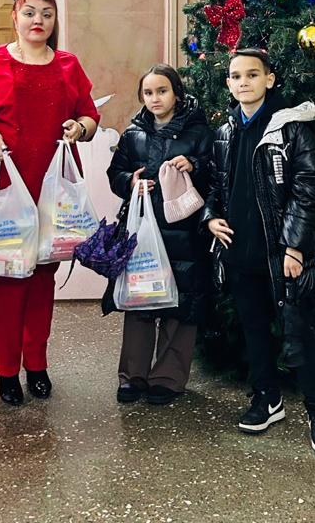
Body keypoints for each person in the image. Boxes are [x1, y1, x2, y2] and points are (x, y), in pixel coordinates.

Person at [0, 0, 99, 406]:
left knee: (42, 280)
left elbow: (89, 116)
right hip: (5, 191)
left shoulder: (68, 64)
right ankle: (5, 371)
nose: (38, 20)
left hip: (52, 192)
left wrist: (79, 127)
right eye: (30, 12)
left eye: (46, 14)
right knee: (8, 281)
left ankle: (37, 364)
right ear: (14, 17)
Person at [204, 48, 315, 454]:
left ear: (269, 79)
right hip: (239, 250)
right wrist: (211, 217)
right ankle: (267, 398)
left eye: (251, 74)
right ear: (228, 83)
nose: (243, 82)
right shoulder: (226, 131)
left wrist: (294, 247)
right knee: (254, 330)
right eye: (235, 76)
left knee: (299, 335)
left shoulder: (291, 129)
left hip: (281, 254)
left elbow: (308, 189)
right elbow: (215, 182)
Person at [105, 65, 213, 405]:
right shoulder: (133, 134)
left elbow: (215, 171)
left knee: (180, 303)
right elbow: (115, 173)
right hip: (142, 228)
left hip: (184, 233)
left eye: (162, 91)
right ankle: (132, 375)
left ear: (177, 94)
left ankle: (168, 377)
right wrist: (130, 181)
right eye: (148, 93)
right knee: (140, 299)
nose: (155, 98)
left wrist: (194, 165)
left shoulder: (198, 132)